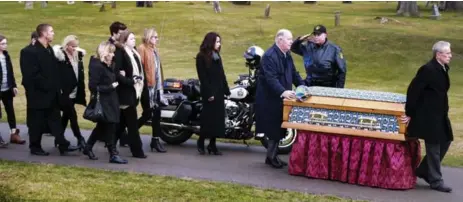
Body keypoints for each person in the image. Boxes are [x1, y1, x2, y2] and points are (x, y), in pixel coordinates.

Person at [402, 41, 453, 193]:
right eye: (448, 53)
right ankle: (436, 181)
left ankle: (424, 170)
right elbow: (413, 91)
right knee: (434, 147)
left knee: (446, 140)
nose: (450, 56)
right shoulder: (428, 69)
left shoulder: (442, 68)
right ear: (438, 54)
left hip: (440, 114)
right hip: (429, 116)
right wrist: (409, 113)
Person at [21, 23, 79, 156]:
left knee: (55, 119)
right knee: (36, 122)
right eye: (51, 31)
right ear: (44, 34)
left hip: (52, 94)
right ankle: (35, 147)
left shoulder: (49, 49)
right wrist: (48, 86)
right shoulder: (28, 52)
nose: (53, 34)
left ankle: (63, 145)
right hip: (38, 95)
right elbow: (31, 76)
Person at [255, 29, 304, 169]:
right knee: (273, 129)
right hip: (271, 98)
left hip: (282, 97)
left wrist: (303, 86)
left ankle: (273, 155)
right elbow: (271, 79)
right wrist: (283, 92)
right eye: (289, 39)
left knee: (279, 128)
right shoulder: (269, 56)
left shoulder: (286, 54)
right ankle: (271, 157)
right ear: (279, 40)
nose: (291, 42)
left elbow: (294, 73)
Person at [84, 41, 127, 164]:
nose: (113, 55)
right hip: (104, 101)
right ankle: (113, 153)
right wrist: (110, 87)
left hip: (111, 100)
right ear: (105, 53)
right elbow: (93, 87)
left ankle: (88, 147)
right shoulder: (97, 66)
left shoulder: (108, 65)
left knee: (103, 126)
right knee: (110, 127)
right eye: (111, 52)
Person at [195, 32, 230, 155]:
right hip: (209, 92)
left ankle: (212, 144)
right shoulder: (201, 57)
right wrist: (209, 93)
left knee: (218, 119)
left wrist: (226, 89)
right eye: (217, 41)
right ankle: (201, 141)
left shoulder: (217, 56)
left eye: (220, 42)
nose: (219, 44)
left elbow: (221, 73)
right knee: (208, 119)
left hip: (219, 91)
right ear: (211, 42)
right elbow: (203, 77)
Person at [113, 30, 147, 158]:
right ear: (125, 40)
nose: (134, 41)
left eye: (134, 38)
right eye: (131, 39)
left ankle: (109, 143)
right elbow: (118, 74)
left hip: (133, 91)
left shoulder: (134, 54)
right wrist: (130, 80)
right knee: (132, 123)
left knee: (122, 123)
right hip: (124, 92)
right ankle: (137, 150)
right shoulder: (120, 53)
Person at [52, 35, 87, 149]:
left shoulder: (77, 55)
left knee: (66, 116)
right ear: (66, 46)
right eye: (73, 46)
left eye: (77, 46)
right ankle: (80, 138)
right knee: (72, 115)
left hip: (74, 90)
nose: (75, 49)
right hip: (64, 92)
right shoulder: (60, 57)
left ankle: (59, 139)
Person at [137, 27, 167, 153]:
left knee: (157, 113)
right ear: (148, 37)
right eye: (155, 36)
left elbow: (157, 70)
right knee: (148, 113)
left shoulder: (154, 50)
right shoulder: (142, 49)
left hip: (156, 87)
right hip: (146, 87)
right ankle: (128, 131)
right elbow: (140, 68)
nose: (157, 39)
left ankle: (155, 140)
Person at [0, 35, 27, 145]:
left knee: (10, 111)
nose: (5, 45)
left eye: (6, 43)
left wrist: (14, 86)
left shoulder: (6, 56)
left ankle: (14, 134)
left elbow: (10, 72)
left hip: (7, 88)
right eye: (2, 44)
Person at [108, 21, 129, 146]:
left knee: (121, 112)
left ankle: (121, 136)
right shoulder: (110, 46)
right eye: (121, 33)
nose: (123, 36)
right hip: (114, 83)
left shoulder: (121, 46)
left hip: (122, 82)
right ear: (114, 33)